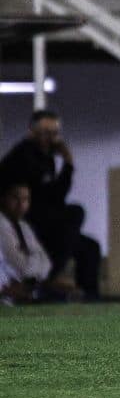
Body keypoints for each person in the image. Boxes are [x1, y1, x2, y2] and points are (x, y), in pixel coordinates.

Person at [0, 110, 100, 299]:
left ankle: (90, 298)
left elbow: (57, 196)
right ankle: (44, 281)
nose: (50, 139)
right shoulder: (24, 155)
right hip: (23, 220)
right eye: (44, 132)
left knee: (89, 248)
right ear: (31, 132)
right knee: (74, 213)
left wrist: (68, 163)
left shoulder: (46, 159)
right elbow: (44, 196)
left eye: (54, 133)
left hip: (44, 218)